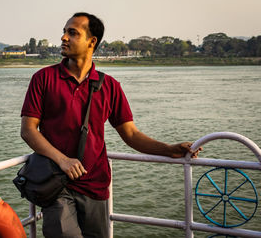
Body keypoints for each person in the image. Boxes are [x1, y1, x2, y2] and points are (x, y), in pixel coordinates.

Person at [20, 12, 201, 238]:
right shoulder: (44, 78)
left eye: (72, 33)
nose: (64, 38)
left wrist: (170, 149)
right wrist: (63, 160)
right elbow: (28, 130)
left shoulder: (109, 86)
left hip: (96, 185)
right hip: (56, 183)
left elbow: (131, 134)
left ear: (92, 42)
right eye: (64, 32)